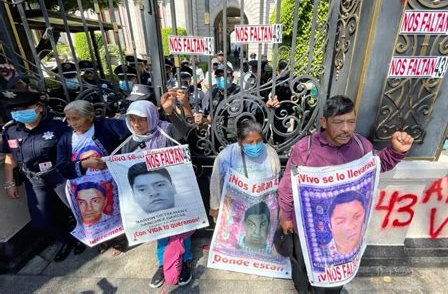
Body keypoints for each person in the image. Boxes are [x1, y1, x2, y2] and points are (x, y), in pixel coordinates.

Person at [278, 95, 414, 294]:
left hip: (346, 232)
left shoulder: (361, 146)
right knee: (306, 272)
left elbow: (377, 165)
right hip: (307, 231)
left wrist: (396, 152)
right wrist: (287, 216)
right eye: (338, 122)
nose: (346, 129)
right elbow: (288, 186)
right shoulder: (305, 150)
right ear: (324, 122)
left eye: (351, 122)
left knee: (337, 278)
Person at [1, 89, 86, 261]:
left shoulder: (59, 124)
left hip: (59, 175)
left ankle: (86, 238)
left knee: (78, 209)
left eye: (25, 107)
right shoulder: (10, 129)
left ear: (39, 107)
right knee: (42, 220)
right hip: (34, 180)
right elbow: (10, 157)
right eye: (15, 109)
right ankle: (69, 240)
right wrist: (9, 183)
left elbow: (78, 146)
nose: (19, 112)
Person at [119, 98, 192, 288]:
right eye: (132, 120)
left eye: (141, 119)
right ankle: (163, 263)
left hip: (174, 193)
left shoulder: (165, 130)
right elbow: (121, 165)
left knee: (182, 228)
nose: (136, 124)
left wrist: (170, 111)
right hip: (152, 200)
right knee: (160, 231)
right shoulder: (129, 143)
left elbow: (183, 132)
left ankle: (185, 261)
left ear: (151, 117)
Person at [56, 100, 130, 255]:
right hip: (82, 188)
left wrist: (112, 161)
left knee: (114, 212)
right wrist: (84, 164)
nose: (71, 123)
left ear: (89, 117)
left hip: (110, 182)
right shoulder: (66, 138)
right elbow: (61, 166)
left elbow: (131, 136)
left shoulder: (108, 126)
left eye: (75, 118)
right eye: (68, 119)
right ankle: (102, 240)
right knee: (92, 216)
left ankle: (118, 240)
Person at [209, 119, 280, 220]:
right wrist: (214, 206)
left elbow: (277, 180)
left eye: (259, 141)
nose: (255, 145)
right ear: (240, 141)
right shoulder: (226, 155)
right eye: (250, 142)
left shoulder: (270, 153)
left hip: (263, 210)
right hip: (234, 212)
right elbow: (215, 181)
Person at [327, 191, 365, 256]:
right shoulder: (321, 253)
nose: (350, 226)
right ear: (330, 226)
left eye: (357, 216)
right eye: (341, 222)